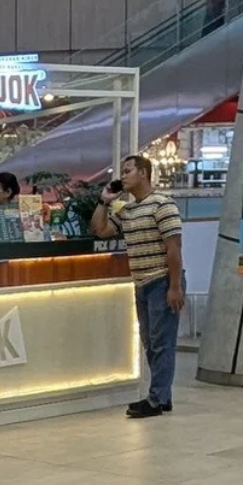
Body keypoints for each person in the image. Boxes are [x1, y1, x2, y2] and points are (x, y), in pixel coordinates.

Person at [91, 155, 185, 419]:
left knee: (162, 342)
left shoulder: (163, 204)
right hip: (141, 282)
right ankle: (162, 396)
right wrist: (104, 201)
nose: (123, 176)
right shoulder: (127, 210)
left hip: (162, 280)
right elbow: (100, 230)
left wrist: (175, 286)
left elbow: (174, 248)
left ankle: (156, 399)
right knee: (150, 342)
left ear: (143, 173)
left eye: (128, 171)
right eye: (122, 172)